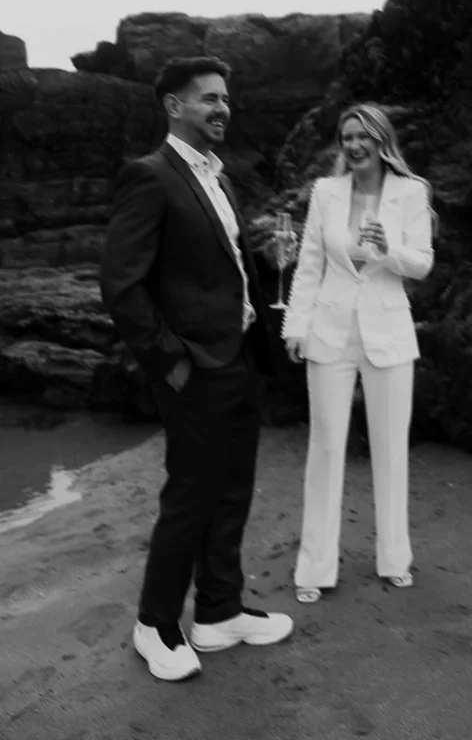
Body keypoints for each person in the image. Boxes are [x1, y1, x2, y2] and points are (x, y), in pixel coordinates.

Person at [100, 56, 293, 681]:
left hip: (239, 358)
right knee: (190, 497)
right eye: (209, 98)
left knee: (232, 490)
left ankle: (218, 612)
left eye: (226, 99)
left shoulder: (220, 178)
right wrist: (169, 361)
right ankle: (154, 624)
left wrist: (266, 262)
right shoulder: (149, 176)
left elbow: (221, 268)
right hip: (194, 368)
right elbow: (121, 284)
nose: (222, 109)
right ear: (174, 105)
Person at [282, 103, 434, 603]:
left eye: (363, 136)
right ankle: (314, 569)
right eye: (347, 137)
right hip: (329, 332)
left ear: (382, 141)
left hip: (389, 334)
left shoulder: (412, 192)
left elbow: (422, 264)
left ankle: (395, 559)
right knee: (325, 449)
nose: (354, 145)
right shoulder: (325, 192)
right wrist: (295, 326)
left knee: (391, 449)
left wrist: (389, 248)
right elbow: (309, 264)